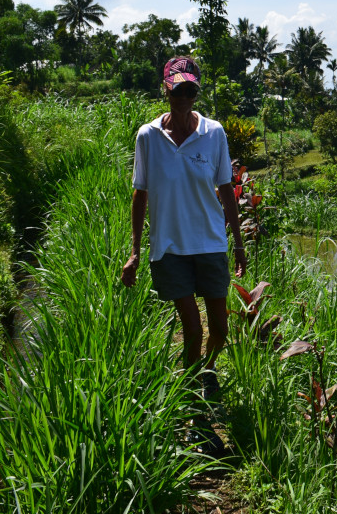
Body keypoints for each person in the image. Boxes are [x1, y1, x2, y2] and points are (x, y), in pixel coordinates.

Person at [120, 55, 246, 454]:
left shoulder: (214, 134)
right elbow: (140, 193)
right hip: (170, 249)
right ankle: (195, 414)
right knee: (192, 330)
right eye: (178, 90)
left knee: (219, 330)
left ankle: (206, 372)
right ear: (166, 90)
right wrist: (136, 251)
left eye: (191, 90)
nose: (184, 97)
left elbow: (226, 188)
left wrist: (238, 240)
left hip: (210, 244)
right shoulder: (147, 137)